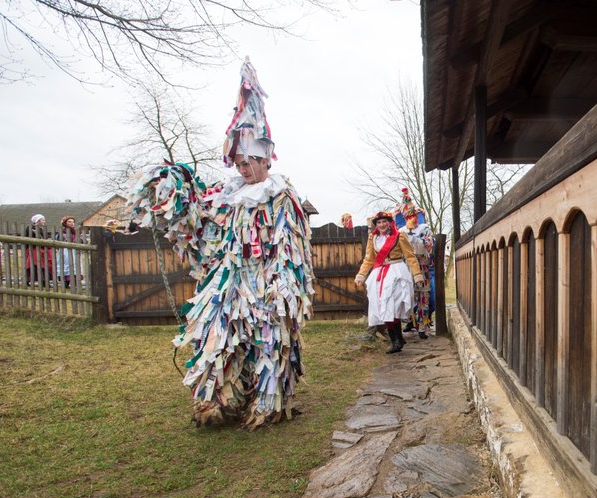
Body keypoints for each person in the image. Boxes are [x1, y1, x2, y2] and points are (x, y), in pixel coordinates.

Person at [126, 57, 314, 429]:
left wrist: (283, 287)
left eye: (249, 162)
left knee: (269, 341)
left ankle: (267, 403)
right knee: (217, 334)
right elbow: (202, 224)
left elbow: (292, 249)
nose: (243, 169)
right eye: (239, 162)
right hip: (229, 282)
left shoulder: (281, 198)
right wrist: (173, 191)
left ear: (264, 159)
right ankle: (218, 402)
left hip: (267, 283)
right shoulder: (227, 195)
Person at [355, 211, 424, 354]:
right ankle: (397, 339)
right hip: (379, 274)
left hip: (397, 272)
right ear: (376, 225)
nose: (382, 224)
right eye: (379, 222)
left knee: (394, 305)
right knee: (383, 305)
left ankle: (397, 340)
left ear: (389, 222)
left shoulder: (399, 236)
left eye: (384, 221)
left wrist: (417, 274)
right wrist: (361, 274)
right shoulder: (372, 238)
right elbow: (369, 259)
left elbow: (410, 256)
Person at [400, 205, 434, 339]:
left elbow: (429, 244)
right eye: (408, 216)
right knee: (408, 295)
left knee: (423, 296)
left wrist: (417, 240)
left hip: (422, 265)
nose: (411, 218)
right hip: (407, 265)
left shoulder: (424, 228)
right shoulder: (401, 231)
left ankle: (422, 326)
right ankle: (410, 321)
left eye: (413, 215)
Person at [24, 214, 53, 286]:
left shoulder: (42, 229)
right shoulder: (30, 228)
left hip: (42, 249)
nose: (44, 221)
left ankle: (44, 281)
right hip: (34, 250)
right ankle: (28, 280)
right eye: (42, 220)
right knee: (34, 265)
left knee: (44, 265)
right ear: (38, 221)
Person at [55, 216, 79, 288]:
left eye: (73, 222)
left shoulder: (75, 231)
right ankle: (66, 282)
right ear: (65, 223)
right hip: (65, 251)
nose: (72, 223)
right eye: (69, 222)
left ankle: (74, 283)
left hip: (74, 251)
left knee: (75, 266)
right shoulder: (62, 231)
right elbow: (59, 240)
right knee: (66, 266)